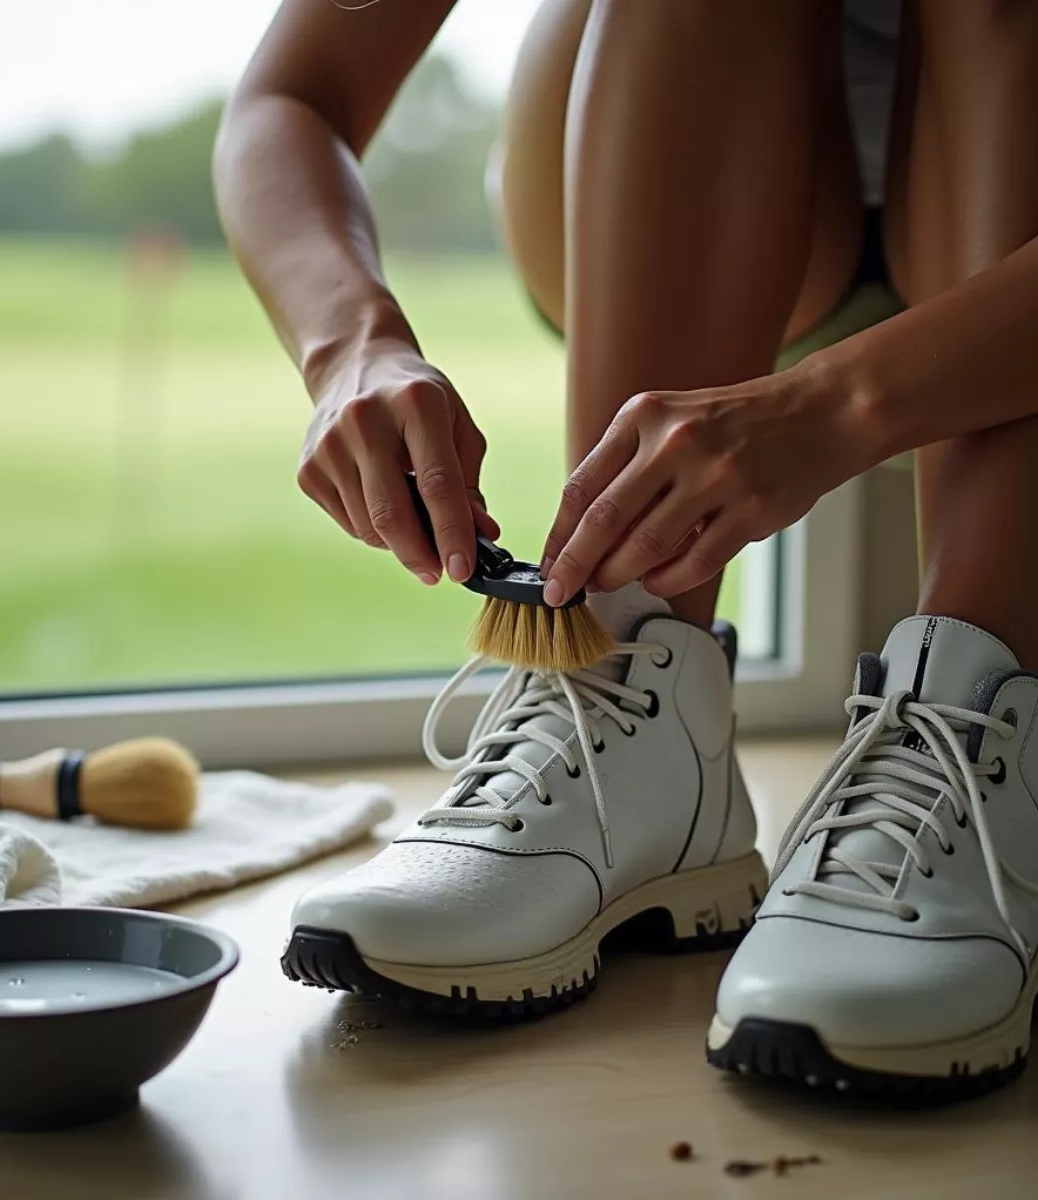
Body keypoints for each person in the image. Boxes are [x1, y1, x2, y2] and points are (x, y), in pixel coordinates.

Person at [214, 0, 1038, 1100]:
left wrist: (842, 401)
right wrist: (349, 342)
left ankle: (982, 713)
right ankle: (629, 692)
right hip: (678, 168)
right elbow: (289, 94)